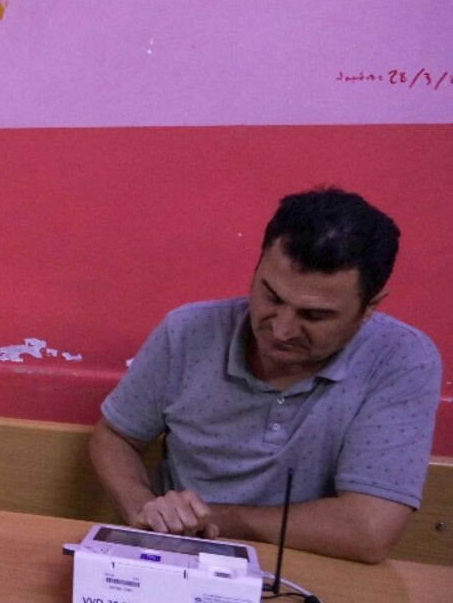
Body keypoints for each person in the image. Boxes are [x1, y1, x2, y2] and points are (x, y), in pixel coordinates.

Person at [89, 187, 441, 564]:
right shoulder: (187, 332)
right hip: (180, 563)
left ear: (370, 307)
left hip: (310, 569)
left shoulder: (401, 359)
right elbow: (115, 436)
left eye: (314, 316)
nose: (282, 329)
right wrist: (145, 510)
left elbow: (368, 532)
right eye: (271, 297)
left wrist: (209, 521)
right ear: (256, 270)